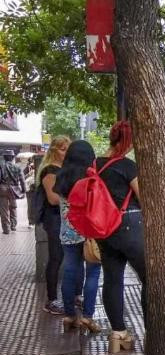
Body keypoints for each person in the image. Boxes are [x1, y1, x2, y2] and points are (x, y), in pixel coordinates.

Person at [95, 121, 145, 353]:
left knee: (112, 279)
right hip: (128, 227)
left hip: (104, 230)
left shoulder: (94, 165)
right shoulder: (127, 165)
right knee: (151, 279)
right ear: (127, 141)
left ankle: (118, 334)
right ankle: (153, 330)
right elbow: (143, 196)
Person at [53, 140, 102, 333]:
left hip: (68, 233)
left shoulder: (61, 177)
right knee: (93, 274)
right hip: (90, 233)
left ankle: (69, 315)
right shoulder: (91, 177)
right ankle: (88, 317)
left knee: (69, 272)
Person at [37, 136, 71, 314]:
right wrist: (74, 197)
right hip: (55, 219)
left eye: (67, 148)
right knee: (56, 257)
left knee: (66, 258)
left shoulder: (64, 169)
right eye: (62, 148)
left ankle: (66, 297)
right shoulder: (50, 170)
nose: (65, 152)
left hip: (64, 217)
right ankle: (51, 299)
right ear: (53, 150)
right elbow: (52, 199)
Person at [0, 149, 27, 233]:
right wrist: (23, 190)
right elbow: (22, 180)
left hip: (3, 189)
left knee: (4, 209)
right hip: (14, 190)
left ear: (4, 157)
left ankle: (6, 229)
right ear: (12, 157)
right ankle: (13, 226)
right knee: (13, 207)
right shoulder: (17, 167)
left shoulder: (1, 166)